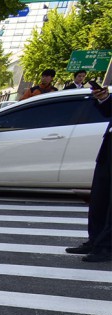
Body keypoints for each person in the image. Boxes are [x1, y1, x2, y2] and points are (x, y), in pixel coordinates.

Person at [66, 83, 111, 264]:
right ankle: (96, 241)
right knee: (99, 200)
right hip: (108, 149)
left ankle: (106, 247)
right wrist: (104, 98)